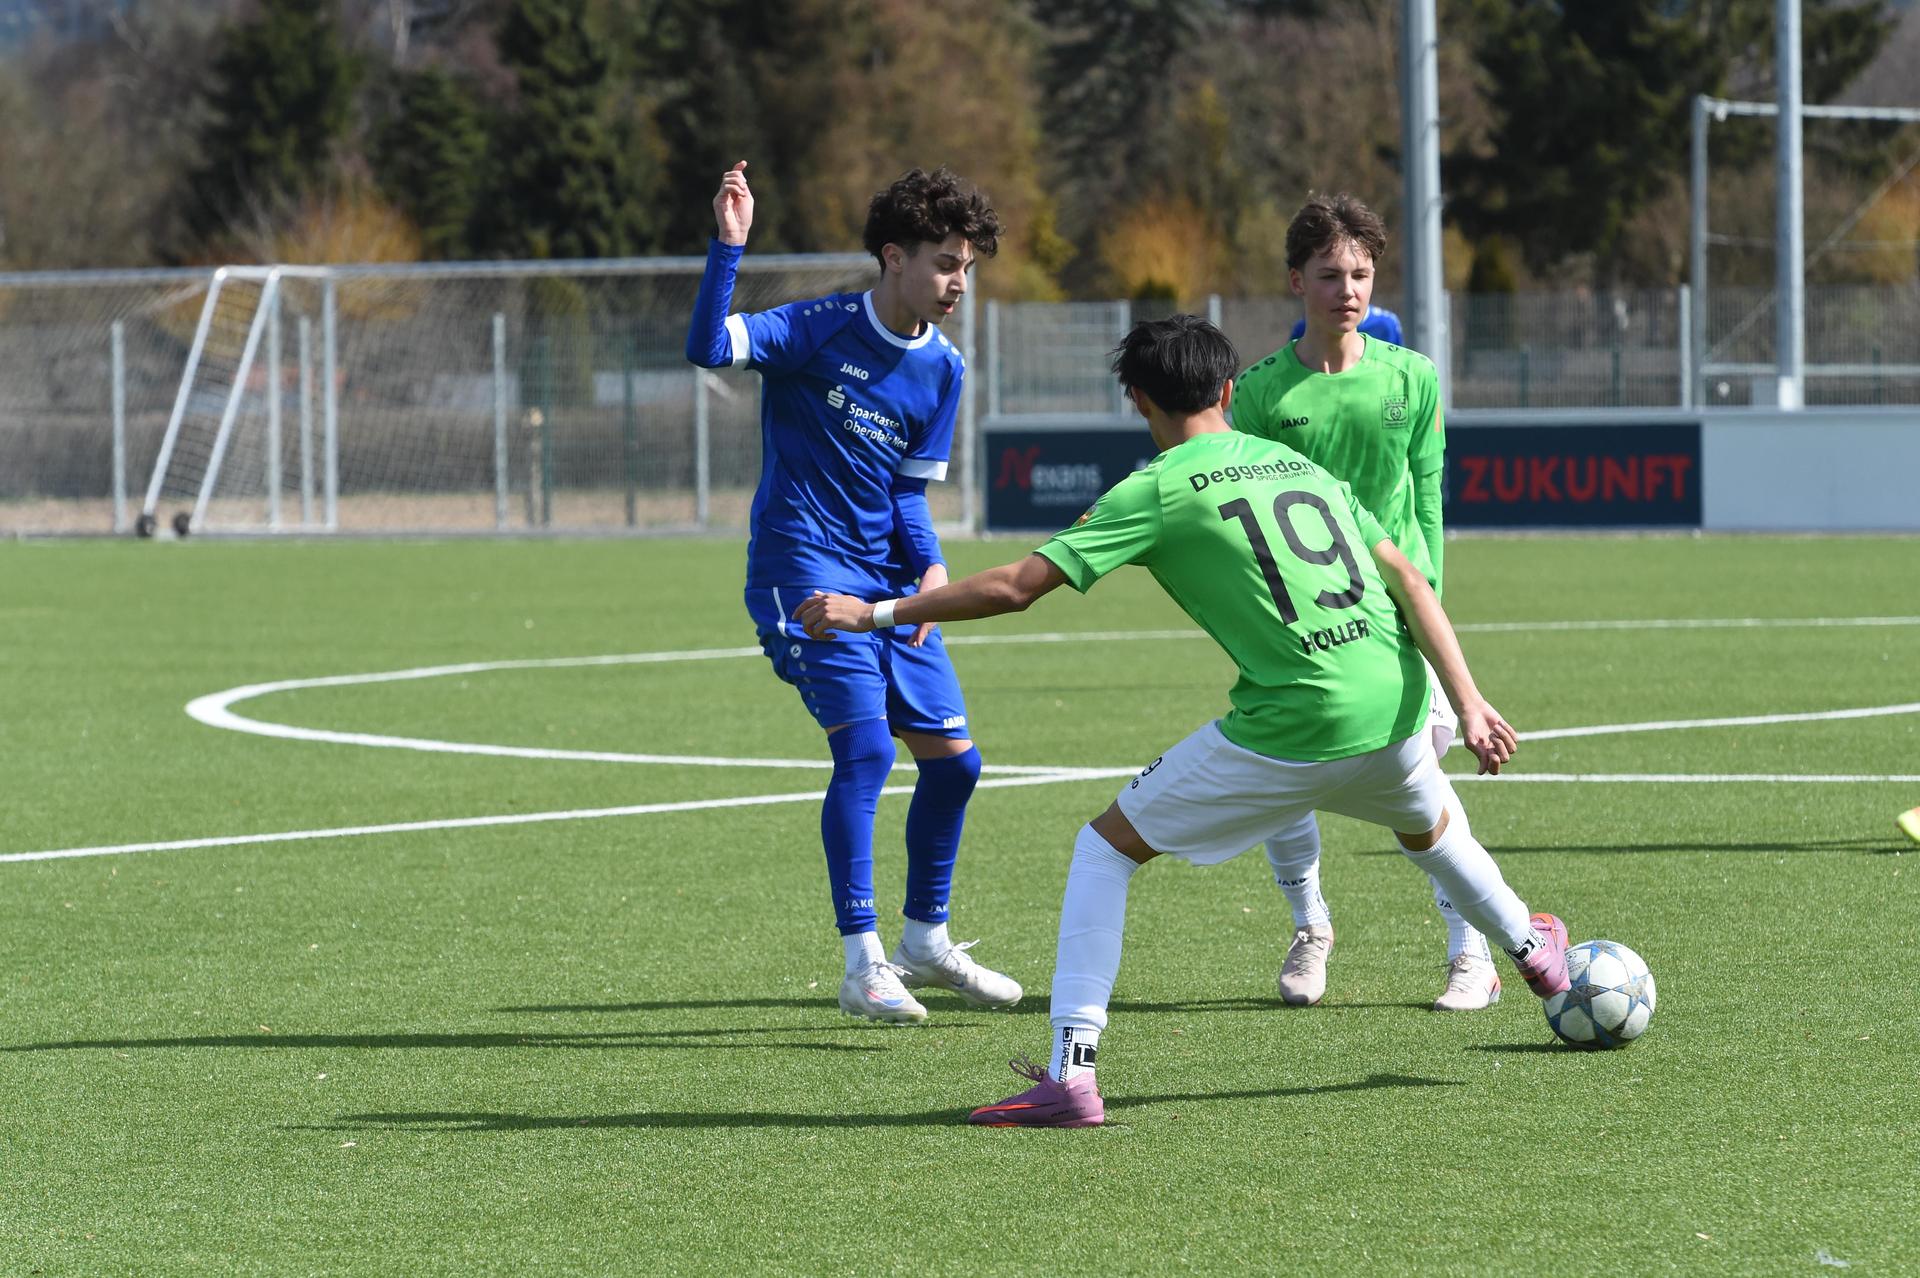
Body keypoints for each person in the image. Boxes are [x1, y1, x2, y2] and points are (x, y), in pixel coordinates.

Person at [797, 315, 1568, 1128]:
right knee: (1434, 832)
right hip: (1401, 700)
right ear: (1231, 390)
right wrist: (1470, 698)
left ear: (1137, 400)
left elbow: (1015, 586)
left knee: (1103, 849)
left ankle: (1071, 1074)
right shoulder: (1295, 463)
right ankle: (1537, 955)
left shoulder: (1157, 487)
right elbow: (1410, 578)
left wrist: (875, 610)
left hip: (1297, 724)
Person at [685, 161, 1021, 1024]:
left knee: (957, 765)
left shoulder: (943, 370)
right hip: (799, 572)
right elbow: (710, 346)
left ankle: (925, 940)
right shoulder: (818, 327)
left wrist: (933, 567)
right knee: (867, 752)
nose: (957, 282)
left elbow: (909, 492)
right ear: (893, 256)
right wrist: (731, 249)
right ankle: (862, 961)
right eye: (945, 262)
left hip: (889, 584)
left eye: (968, 268)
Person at [1232, 193, 1493, 1012]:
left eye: (1361, 273)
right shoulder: (1264, 394)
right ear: (1295, 282)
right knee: (1278, 776)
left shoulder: (1413, 379)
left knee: (1422, 795)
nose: (1348, 289)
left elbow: (1428, 505)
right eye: (1330, 274)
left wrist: (1430, 610)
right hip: (1303, 617)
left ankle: (1471, 950)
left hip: (1397, 616)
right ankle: (1312, 927)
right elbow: (1242, 510)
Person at [1289, 303, 1403, 346]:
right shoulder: (1305, 327)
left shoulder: (1386, 325)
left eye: (1358, 276)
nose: (1347, 290)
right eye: (1330, 276)